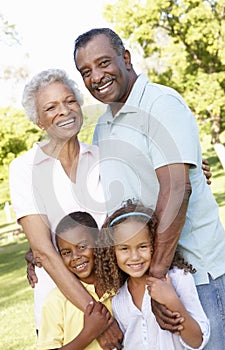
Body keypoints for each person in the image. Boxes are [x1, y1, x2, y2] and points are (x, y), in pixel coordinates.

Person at [73, 28, 225, 349]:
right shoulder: (103, 125)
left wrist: (156, 279)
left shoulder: (161, 103)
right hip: (147, 280)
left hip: (195, 277)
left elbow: (177, 190)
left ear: (125, 59)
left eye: (103, 63)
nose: (96, 76)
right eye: (86, 71)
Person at [9, 68, 122, 349]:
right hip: (64, 313)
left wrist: (191, 172)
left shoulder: (102, 157)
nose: (64, 111)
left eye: (70, 101)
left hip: (118, 300)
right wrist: (98, 317)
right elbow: (44, 252)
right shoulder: (24, 169)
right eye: (51, 107)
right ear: (38, 121)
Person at [95, 200, 210, 349]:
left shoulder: (178, 279)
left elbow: (197, 341)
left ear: (155, 245)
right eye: (124, 248)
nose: (135, 256)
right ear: (111, 252)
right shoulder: (119, 298)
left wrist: (172, 300)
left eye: (142, 246)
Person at [38, 211, 113, 350]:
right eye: (66, 252)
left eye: (82, 246)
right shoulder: (56, 300)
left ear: (98, 243)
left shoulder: (117, 286)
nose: (75, 257)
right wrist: (88, 334)